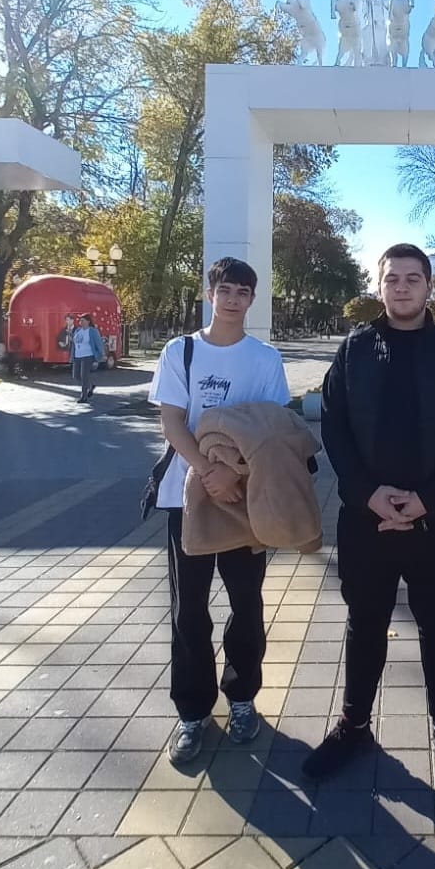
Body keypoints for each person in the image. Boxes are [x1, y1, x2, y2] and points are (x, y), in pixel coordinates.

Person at [303, 243, 435, 796]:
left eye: (414, 278)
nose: (403, 287)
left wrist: (428, 500)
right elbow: (334, 428)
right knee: (365, 624)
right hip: (366, 521)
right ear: (379, 286)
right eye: (393, 279)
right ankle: (355, 725)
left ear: (429, 287)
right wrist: (367, 495)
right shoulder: (355, 350)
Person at [149, 257, 290, 763]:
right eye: (225, 289)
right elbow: (171, 421)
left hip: (242, 500)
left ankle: (243, 697)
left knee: (246, 604)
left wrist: (234, 476)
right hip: (185, 497)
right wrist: (206, 472)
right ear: (211, 293)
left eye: (243, 292)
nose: (233, 299)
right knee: (188, 609)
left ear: (253, 299)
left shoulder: (264, 358)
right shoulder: (179, 350)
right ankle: (191, 712)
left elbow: (273, 429)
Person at [71, 314, 104, 403]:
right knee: (76, 376)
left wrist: (100, 356)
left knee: (84, 376)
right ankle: (90, 386)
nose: (80, 322)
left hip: (88, 355)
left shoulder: (92, 331)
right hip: (78, 355)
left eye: (83, 320)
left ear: (88, 321)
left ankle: (84, 396)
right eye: (80, 320)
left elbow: (99, 344)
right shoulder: (78, 330)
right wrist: (72, 356)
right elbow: (74, 345)